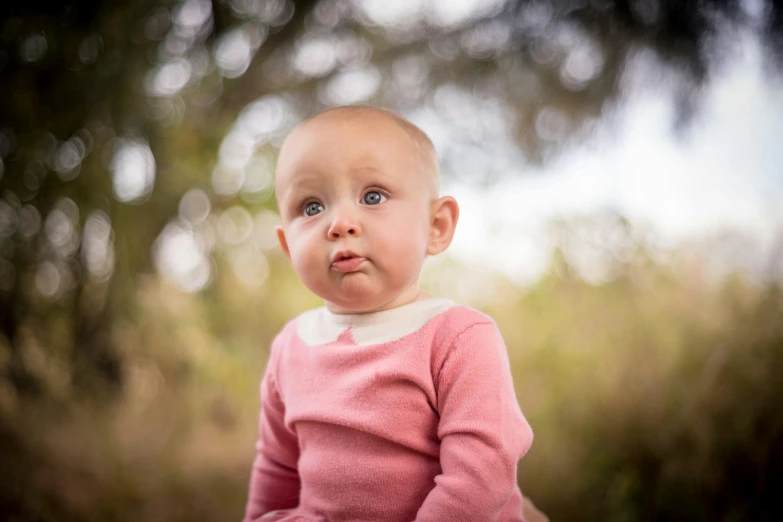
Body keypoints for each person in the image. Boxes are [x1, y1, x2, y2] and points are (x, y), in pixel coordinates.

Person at [242, 106, 545, 522]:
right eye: (311, 207)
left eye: (373, 197)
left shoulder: (457, 337)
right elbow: (277, 468)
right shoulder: (290, 346)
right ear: (288, 245)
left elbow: (481, 473)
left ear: (436, 226)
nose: (340, 223)